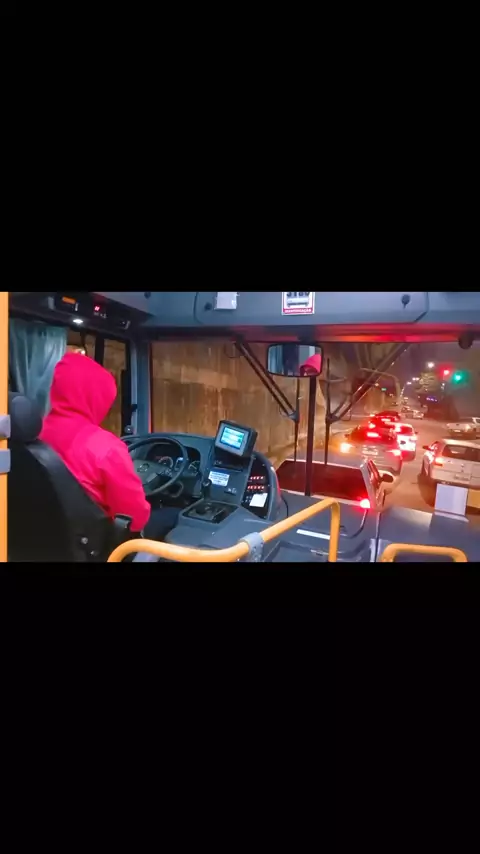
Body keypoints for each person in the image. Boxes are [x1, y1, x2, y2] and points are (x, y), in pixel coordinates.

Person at [40, 352, 179, 540]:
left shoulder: (34, 433)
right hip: (96, 543)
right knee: (175, 516)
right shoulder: (106, 448)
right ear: (94, 398)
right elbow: (135, 518)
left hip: (48, 535)